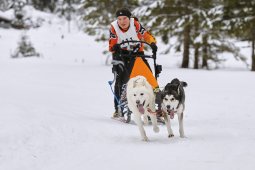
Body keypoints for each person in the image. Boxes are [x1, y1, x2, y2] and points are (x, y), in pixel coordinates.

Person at [109, 8, 159, 117]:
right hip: (122, 55)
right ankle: (118, 109)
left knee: (149, 78)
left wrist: (152, 43)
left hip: (137, 54)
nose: (122, 21)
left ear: (129, 18)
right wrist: (114, 47)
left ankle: (153, 105)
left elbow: (146, 35)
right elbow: (111, 45)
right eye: (119, 19)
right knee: (121, 81)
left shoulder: (135, 24)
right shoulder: (114, 27)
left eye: (125, 18)